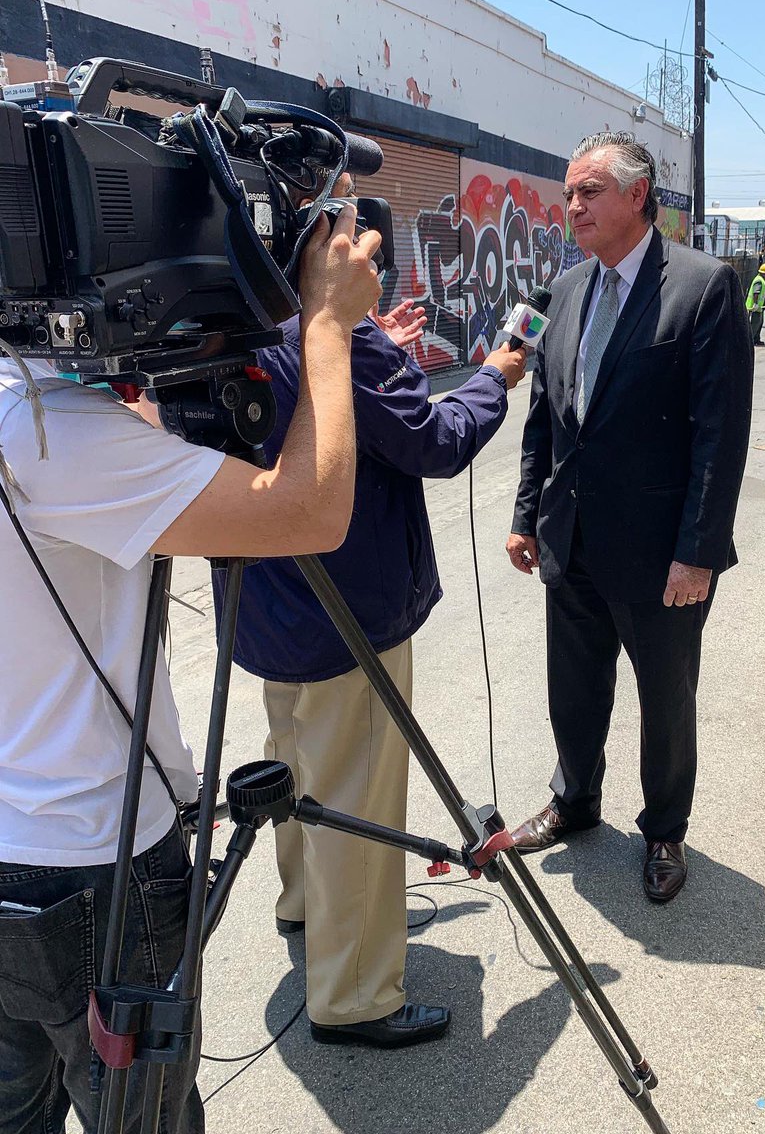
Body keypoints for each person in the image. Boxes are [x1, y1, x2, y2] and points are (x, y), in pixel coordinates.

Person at [0, 205, 381, 1132]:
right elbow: (308, 513)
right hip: (87, 864)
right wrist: (326, 325)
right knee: (147, 1120)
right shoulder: (45, 431)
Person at [217, 173, 526, 1048]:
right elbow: (434, 442)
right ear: (319, 242)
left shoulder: (233, 328)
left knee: (297, 762)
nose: (372, 248)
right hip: (350, 616)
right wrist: (496, 377)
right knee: (355, 791)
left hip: (270, 610)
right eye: (355, 231)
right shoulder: (348, 346)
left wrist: (371, 348)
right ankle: (353, 995)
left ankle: (307, 912)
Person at [505, 131, 753, 903]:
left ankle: (665, 831)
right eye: (569, 192)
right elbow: (546, 414)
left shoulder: (703, 286)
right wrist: (524, 515)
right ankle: (575, 801)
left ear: (637, 196)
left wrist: (699, 552)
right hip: (570, 538)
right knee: (573, 689)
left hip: (660, 555)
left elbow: (721, 434)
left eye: (588, 192)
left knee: (665, 701)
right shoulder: (566, 289)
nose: (571, 205)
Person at [745, 261, 765, 346]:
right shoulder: (759, 281)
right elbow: (756, 293)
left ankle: (756, 339)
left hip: (759, 307)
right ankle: (750, 340)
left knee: (759, 323)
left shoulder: (761, 280)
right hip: (754, 307)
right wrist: (755, 304)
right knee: (755, 324)